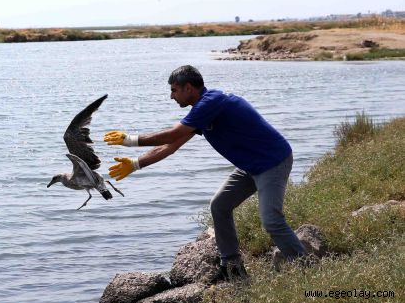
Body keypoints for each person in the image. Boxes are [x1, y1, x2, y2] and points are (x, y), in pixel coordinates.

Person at [103, 64, 305, 281]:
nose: (171, 96)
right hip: (250, 166)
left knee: (272, 221)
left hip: (272, 162)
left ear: (188, 88)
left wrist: (130, 140)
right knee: (220, 206)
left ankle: (308, 269)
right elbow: (171, 146)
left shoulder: (211, 102)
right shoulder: (202, 110)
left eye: (174, 90)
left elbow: (173, 135)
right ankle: (232, 265)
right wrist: (135, 164)